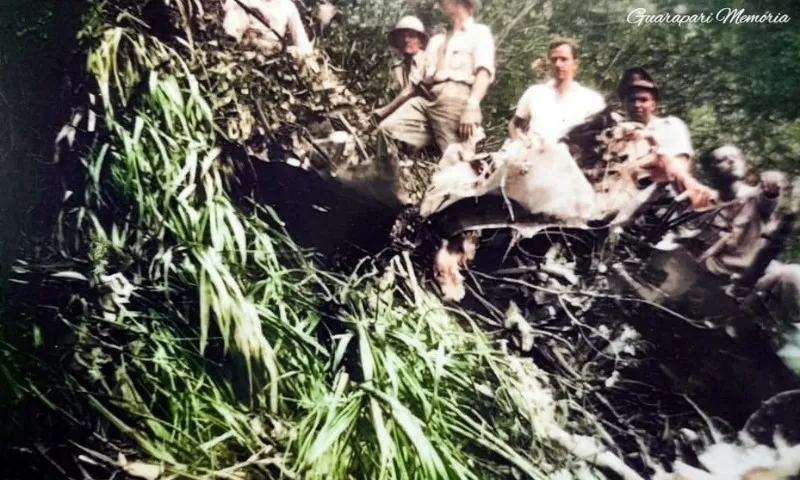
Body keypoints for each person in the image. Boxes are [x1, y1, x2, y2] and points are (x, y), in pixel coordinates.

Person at [377, 0, 496, 152]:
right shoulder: (436, 41)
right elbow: (416, 83)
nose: (440, 4)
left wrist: (472, 106)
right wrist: (384, 111)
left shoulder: (479, 32)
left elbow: (483, 72)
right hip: (428, 99)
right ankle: (383, 171)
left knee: (454, 161)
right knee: (386, 130)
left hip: (455, 98)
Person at [616, 67, 714, 208]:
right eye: (631, 100)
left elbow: (679, 167)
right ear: (624, 102)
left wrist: (636, 164)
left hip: (667, 203)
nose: (637, 105)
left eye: (643, 100)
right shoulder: (616, 132)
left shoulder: (670, 126)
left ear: (654, 104)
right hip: (626, 205)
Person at [508, 38, 605, 146]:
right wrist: (519, 145)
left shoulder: (591, 99)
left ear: (575, 63)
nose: (558, 64)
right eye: (554, 60)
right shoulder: (535, 93)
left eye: (564, 59)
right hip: (536, 159)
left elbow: (601, 136)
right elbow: (515, 125)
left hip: (573, 160)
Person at [372, 16, 429, 123]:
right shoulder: (399, 67)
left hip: (429, 112)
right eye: (402, 36)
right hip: (410, 114)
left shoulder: (425, 60)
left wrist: (383, 111)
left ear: (421, 42)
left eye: (412, 36)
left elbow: (411, 90)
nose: (406, 40)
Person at [222, 0, 312, 57]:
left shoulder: (287, 6)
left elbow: (305, 47)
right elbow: (229, 15)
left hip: (271, 54)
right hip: (241, 50)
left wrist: (284, 50)